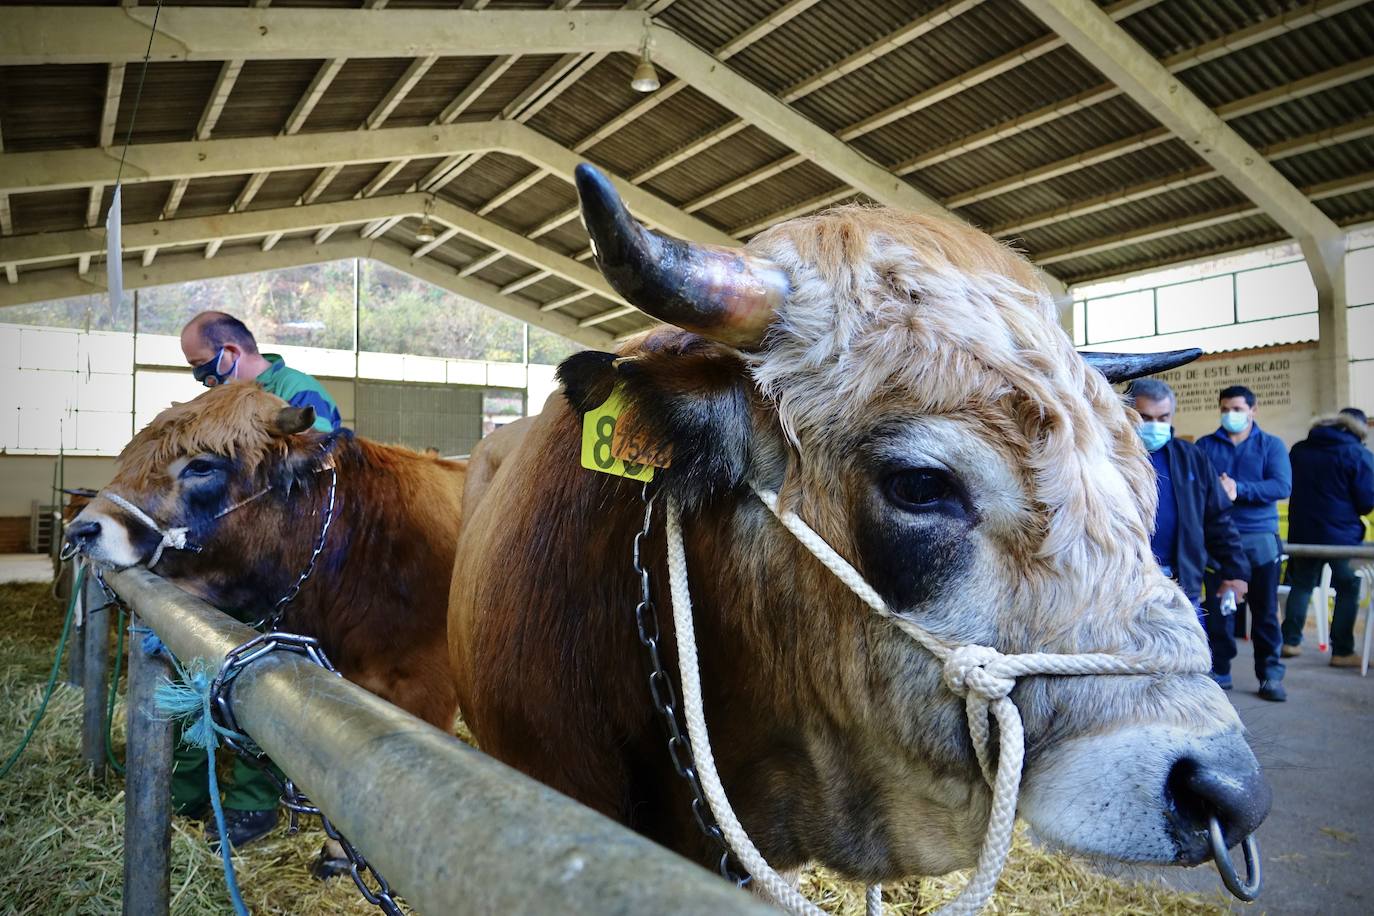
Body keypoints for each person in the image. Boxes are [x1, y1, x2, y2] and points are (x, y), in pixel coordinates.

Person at [174, 312, 342, 848]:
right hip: (224, 556)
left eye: (203, 368)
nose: (201, 381)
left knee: (258, 668)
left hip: (280, 565)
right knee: (192, 661)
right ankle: (186, 789)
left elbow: (324, 469)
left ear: (229, 351)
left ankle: (253, 802)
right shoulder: (216, 402)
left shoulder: (296, 394)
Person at [1196, 385, 1292, 701]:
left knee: (1264, 612)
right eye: (1225, 409)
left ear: (1253, 410)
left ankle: (1270, 676)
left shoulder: (1271, 446)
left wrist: (1240, 489)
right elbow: (1194, 486)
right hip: (1219, 541)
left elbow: (1281, 485)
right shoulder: (1206, 446)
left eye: (1237, 409)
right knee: (1219, 610)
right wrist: (1215, 490)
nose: (1230, 415)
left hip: (1259, 540)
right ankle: (1219, 670)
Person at [1128, 379, 1250, 628]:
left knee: (1188, 662)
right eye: (1145, 418)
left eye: (1163, 418)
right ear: (1127, 414)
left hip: (1181, 585)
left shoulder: (1191, 458)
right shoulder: (1108, 457)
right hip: (1123, 588)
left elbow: (1218, 518)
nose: (1155, 425)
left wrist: (1235, 572)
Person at [1280, 408, 1374, 667]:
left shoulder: (1299, 450)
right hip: (1341, 537)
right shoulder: (1358, 454)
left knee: (1302, 585)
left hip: (1303, 532)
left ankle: (1290, 641)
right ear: (1358, 428)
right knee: (1348, 587)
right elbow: (1367, 501)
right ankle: (1342, 651)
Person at [180, 311, 342, 432]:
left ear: (231, 353)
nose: (198, 373)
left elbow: (318, 447)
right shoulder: (220, 398)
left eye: (200, 363)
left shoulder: (296, 387)